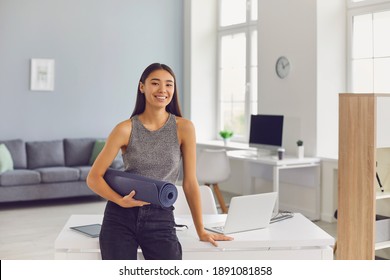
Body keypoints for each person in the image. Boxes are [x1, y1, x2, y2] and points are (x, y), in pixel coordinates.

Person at [86, 62, 233, 260]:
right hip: (120, 216)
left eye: (169, 84)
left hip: (160, 216)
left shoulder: (184, 128)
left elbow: (190, 183)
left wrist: (201, 230)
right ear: (142, 87)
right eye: (155, 83)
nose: (163, 90)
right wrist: (120, 200)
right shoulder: (124, 129)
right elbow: (94, 178)